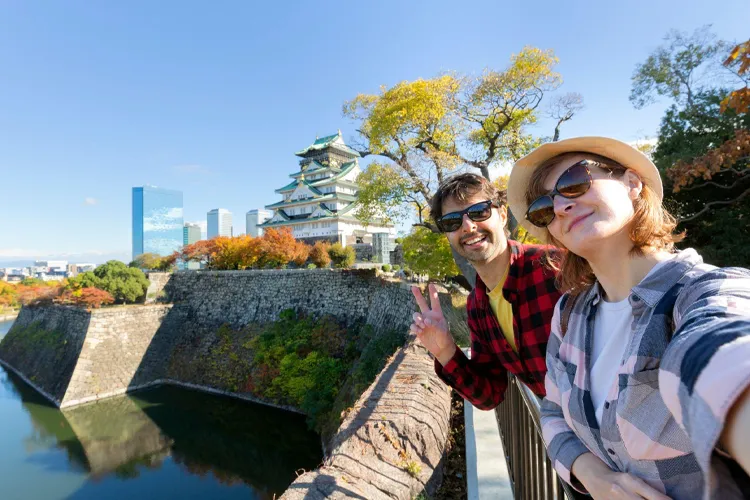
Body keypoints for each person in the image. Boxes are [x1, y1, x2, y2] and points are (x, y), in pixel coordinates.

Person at [507, 136, 750, 500]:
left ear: (632, 183)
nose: (560, 206)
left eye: (574, 181)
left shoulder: (704, 293)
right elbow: (553, 410)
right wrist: (593, 476)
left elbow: (719, 351)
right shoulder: (569, 313)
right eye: (544, 207)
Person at [410, 173, 563, 410]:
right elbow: (489, 395)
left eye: (479, 211)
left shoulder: (553, 266)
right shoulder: (478, 306)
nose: (468, 226)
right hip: (569, 436)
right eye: (452, 222)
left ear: (502, 215)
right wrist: (446, 353)